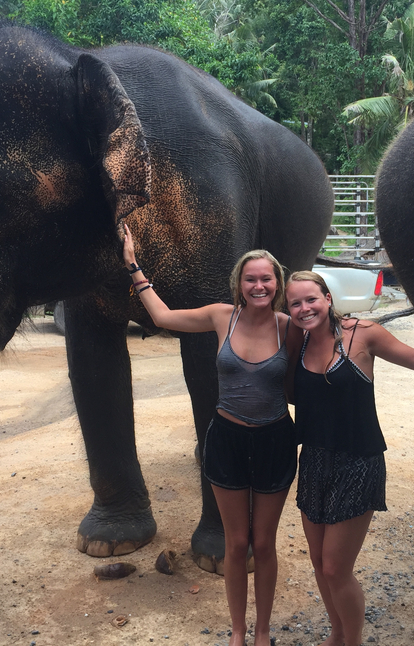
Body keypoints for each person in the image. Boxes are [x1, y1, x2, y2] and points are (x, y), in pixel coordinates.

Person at [121, 225, 296, 646]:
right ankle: (238, 630)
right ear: (239, 283)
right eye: (251, 279)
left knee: (263, 545)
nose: (259, 286)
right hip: (226, 441)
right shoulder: (222, 316)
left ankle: (262, 631)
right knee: (236, 544)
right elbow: (163, 318)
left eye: (266, 278)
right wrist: (133, 266)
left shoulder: (290, 327)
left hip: (274, 442)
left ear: (278, 283)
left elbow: (331, 339)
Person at [285, 270, 414, 646]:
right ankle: (337, 633)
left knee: (336, 568)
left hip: (359, 462)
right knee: (318, 561)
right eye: (295, 303)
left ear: (327, 298)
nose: (305, 308)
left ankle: (352, 641)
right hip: (314, 461)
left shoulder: (362, 333)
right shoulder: (297, 343)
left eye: (311, 299)